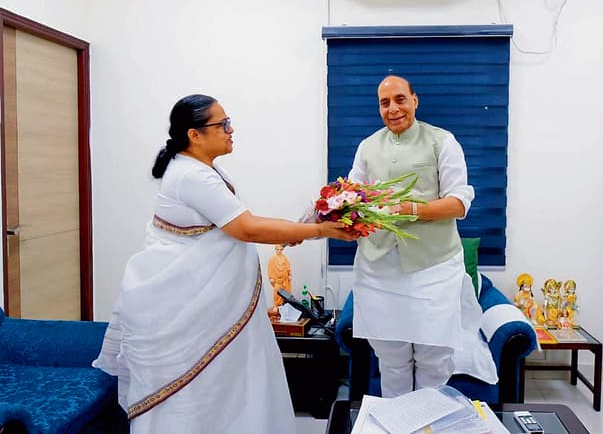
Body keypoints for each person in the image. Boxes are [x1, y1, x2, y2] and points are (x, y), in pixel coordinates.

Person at [93, 94, 356, 433]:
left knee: (228, 386)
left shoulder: (203, 168)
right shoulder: (192, 176)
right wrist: (318, 230)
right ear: (195, 134)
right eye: (223, 124)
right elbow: (246, 228)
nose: (231, 130)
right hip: (190, 310)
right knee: (199, 391)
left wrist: (298, 229)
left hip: (214, 308)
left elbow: (238, 222)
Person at [347, 75, 497, 398]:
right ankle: (398, 421)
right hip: (379, 268)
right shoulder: (367, 147)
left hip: (434, 267)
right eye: (384, 103)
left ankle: (429, 420)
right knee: (391, 361)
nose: (393, 108)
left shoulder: (442, 141)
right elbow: (352, 198)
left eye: (400, 99)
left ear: (415, 100)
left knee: (434, 360)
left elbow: (459, 203)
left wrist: (409, 209)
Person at [268, 244, 292, 310]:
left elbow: (288, 267)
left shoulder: (285, 258)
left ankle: (286, 305)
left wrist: (289, 275)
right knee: (277, 293)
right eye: (278, 249)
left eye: (281, 249)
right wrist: (271, 278)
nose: (279, 251)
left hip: (285, 280)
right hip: (277, 280)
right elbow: (270, 269)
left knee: (286, 293)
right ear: (275, 250)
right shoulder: (272, 259)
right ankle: (276, 305)